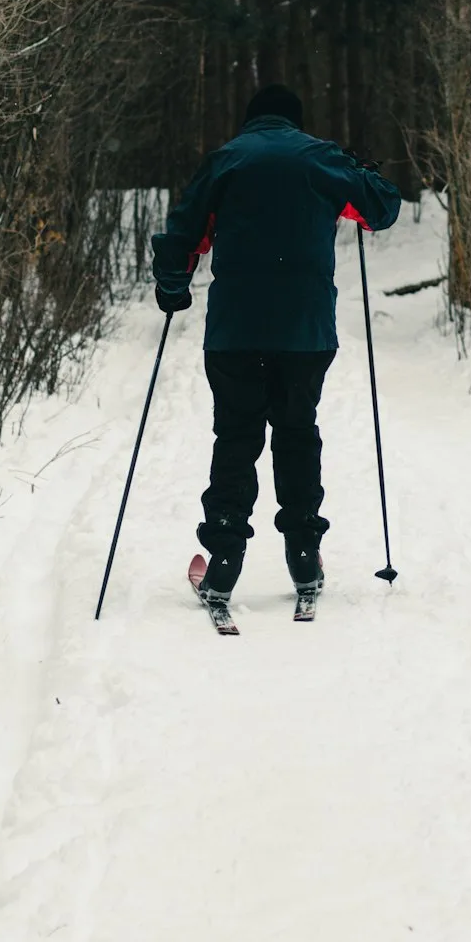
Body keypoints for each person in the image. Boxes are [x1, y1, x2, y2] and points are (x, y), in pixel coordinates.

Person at [151, 84, 402, 605]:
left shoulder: (227, 161)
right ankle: (304, 554)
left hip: (235, 331)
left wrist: (173, 287)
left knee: (236, 437)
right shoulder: (322, 159)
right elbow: (380, 209)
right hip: (305, 332)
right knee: (296, 431)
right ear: (295, 121)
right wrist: (363, 171)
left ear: (251, 120)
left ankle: (222, 561)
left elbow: (183, 233)